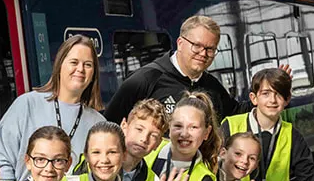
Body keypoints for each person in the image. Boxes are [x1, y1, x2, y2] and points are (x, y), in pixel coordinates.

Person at [0, 36, 104, 180]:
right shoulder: (26, 105)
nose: (80, 69)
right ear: (59, 65)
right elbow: (1, 158)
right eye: (74, 62)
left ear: (94, 73)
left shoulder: (98, 124)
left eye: (88, 65)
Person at [104, 15, 250, 123]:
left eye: (210, 49)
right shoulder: (145, 80)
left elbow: (236, 113)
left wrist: (265, 94)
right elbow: (109, 125)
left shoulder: (212, 87)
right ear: (180, 43)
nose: (203, 54)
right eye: (197, 46)